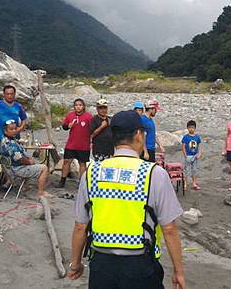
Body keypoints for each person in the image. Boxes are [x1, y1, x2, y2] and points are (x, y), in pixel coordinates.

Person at [67, 110, 186, 289]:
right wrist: (178, 271)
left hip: (101, 263)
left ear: (113, 136)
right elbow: (169, 229)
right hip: (140, 264)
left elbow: (80, 226)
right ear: (138, 135)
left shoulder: (91, 173)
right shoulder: (154, 174)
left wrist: (75, 263)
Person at [0, 120, 51, 198]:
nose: (14, 131)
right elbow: (20, 159)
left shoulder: (5, 139)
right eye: (11, 129)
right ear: (5, 131)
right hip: (17, 169)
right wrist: (30, 162)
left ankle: (25, 186)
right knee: (44, 168)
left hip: (11, 168)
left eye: (15, 129)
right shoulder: (10, 144)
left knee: (29, 160)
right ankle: (41, 192)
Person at [0, 84, 27, 164]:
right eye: (7, 94)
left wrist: (20, 129)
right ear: (4, 94)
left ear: (14, 94)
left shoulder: (18, 106)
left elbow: (24, 119)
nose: (10, 96)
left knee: (15, 158)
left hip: (14, 137)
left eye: (11, 94)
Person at [58, 98, 92, 188]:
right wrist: (68, 126)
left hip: (84, 145)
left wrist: (92, 142)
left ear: (83, 106)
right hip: (71, 144)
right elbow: (64, 127)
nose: (78, 107)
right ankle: (62, 181)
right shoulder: (70, 115)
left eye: (80, 105)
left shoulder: (88, 117)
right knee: (66, 161)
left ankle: (82, 183)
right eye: (76, 105)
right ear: (74, 107)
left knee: (82, 163)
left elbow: (92, 130)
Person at [181, 120, 202, 190]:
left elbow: (199, 146)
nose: (191, 129)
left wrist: (199, 153)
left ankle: (194, 183)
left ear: (195, 128)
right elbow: (183, 146)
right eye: (190, 127)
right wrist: (185, 155)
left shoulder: (197, 137)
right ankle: (185, 183)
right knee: (186, 170)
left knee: (194, 170)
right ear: (187, 128)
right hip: (188, 156)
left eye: (193, 127)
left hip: (195, 155)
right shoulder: (185, 137)